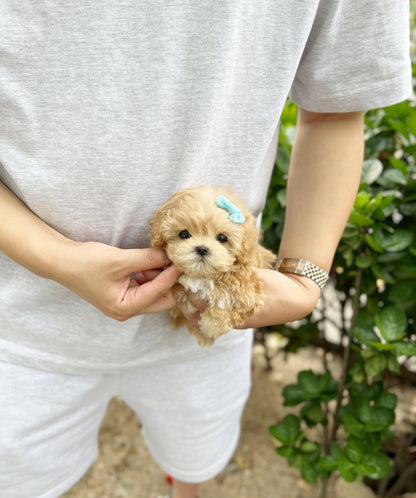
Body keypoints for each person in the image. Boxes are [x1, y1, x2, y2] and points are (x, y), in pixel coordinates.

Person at [0, 2, 411, 497]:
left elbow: (336, 104)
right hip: (20, 325)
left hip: (209, 326)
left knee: (196, 458)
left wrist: (306, 280)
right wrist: (55, 259)